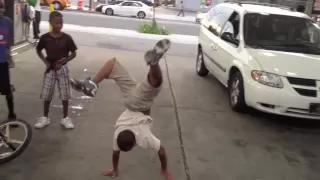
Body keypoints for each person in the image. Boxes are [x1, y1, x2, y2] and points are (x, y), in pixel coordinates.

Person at [69, 39, 173, 180]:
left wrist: (164, 171)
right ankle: (92, 84)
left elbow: (161, 151)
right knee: (112, 64)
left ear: (134, 143)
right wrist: (114, 169)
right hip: (131, 96)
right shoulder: (117, 134)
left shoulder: (144, 138)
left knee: (155, 84)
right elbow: (115, 153)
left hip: (138, 103)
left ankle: (154, 63)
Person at [35, 11, 77, 129]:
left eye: (61, 23)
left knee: (65, 94)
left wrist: (63, 62)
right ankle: (45, 117)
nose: (59, 25)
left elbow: (74, 53)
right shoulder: (45, 38)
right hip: (50, 69)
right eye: (57, 23)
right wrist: (46, 62)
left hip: (62, 69)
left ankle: (65, 118)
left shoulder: (67, 38)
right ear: (50, 23)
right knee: (47, 93)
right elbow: (38, 50)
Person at [0, 0, 17, 122]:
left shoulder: (8, 22)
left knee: (7, 90)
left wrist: (10, 56)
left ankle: (12, 114)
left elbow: (7, 43)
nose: (1, 10)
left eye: (2, 7)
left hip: (3, 61)